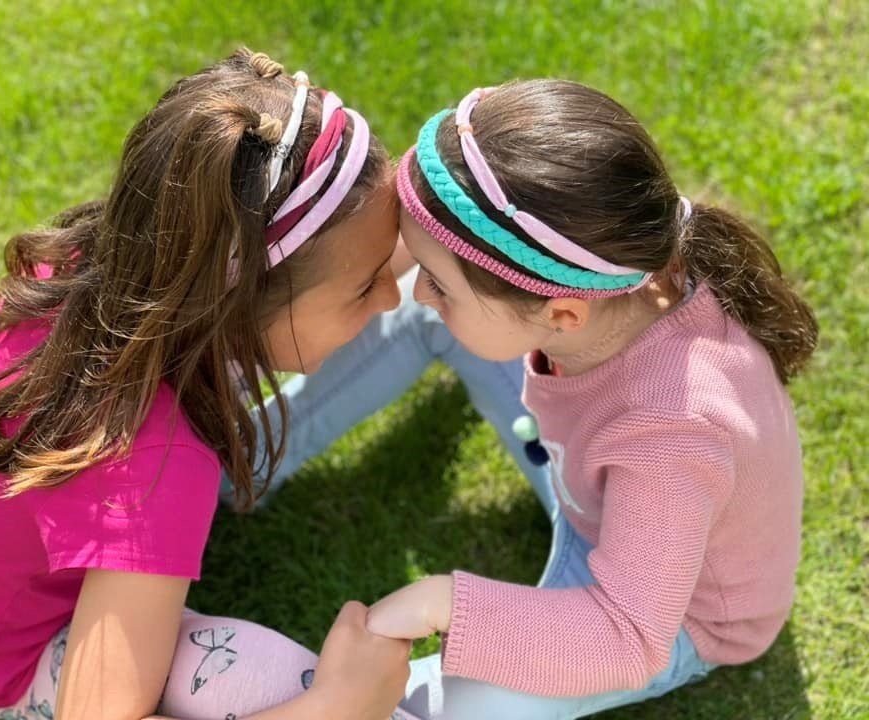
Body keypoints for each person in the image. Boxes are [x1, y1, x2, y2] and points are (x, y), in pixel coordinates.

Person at [253, 80, 818, 719]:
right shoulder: (613, 269)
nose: (417, 292)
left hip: (660, 616)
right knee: (440, 315)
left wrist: (444, 603)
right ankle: (240, 457)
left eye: (438, 284)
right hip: (597, 494)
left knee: (435, 710)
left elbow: (627, 638)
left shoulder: (672, 433)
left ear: (562, 315)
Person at [0, 48, 414, 720]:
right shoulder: (153, 461)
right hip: (17, 658)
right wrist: (337, 707)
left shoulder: (136, 269)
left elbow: (338, 252)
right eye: (365, 287)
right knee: (249, 677)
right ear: (243, 304)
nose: (390, 296)